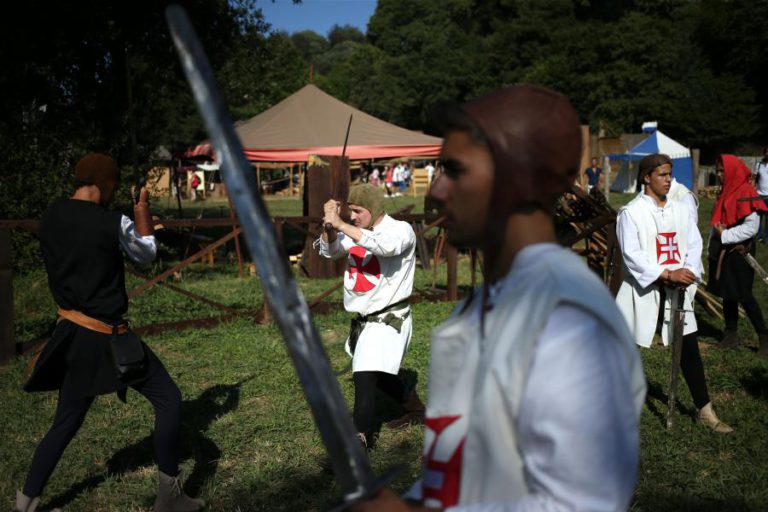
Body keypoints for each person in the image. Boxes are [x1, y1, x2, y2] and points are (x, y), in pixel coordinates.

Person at [353, 85, 646, 512]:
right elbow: (462, 474)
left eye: (454, 171)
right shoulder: (482, 306)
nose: (435, 192)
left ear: (519, 179)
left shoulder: (567, 321)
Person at [15, 154, 204, 512]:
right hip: (106, 335)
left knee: (66, 421)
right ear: (105, 184)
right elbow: (146, 253)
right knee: (168, 399)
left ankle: (24, 504)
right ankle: (170, 497)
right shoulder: (111, 221)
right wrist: (142, 211)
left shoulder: (52, 215)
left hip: (70, 332)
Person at [616, 153, 733, 433]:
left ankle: (705, 409)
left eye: (670, 174)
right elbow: (631, 255)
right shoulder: (631, 213)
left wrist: (688, 272)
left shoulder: (680, 210)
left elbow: (693, 243)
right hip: (642, 291)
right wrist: (666, 274)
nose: (670, 180)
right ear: (646, 178)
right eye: (663, 175)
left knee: (689, 348)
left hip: (678, 292)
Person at [314, 184, 423, 451]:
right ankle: (418, 411)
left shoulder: (400, 231)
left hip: (389, 319)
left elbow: (381, 247)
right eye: (350, 211)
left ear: (373, 209)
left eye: (358, 211)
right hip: (364, 321)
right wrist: (330, 228)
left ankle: (357, 441)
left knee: (363, 374)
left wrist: (340, 223)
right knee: (381, 375)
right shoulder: (353, 230)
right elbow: (329, 252)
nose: (353, 217)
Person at [708, 154, 768, 357]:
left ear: (733, 170)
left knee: (744, 294)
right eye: (717, 170)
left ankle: (764, 338)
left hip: (740, 250)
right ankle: (730, 335)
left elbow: (752, 228)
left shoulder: (746, 191)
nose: (719, 174)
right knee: (727, 292)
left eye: (723, 170)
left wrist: (724, 235)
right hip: (726, 250)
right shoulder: (726, 191)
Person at [752, 147, 768, 241]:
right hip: (759, 195)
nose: (767, 154)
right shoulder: (759, 165)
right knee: (758, 216)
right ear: (764, 153)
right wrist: (753, 189)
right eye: (766, 152)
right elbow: (754, 178)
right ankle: (758, 235)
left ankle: (766, 237)